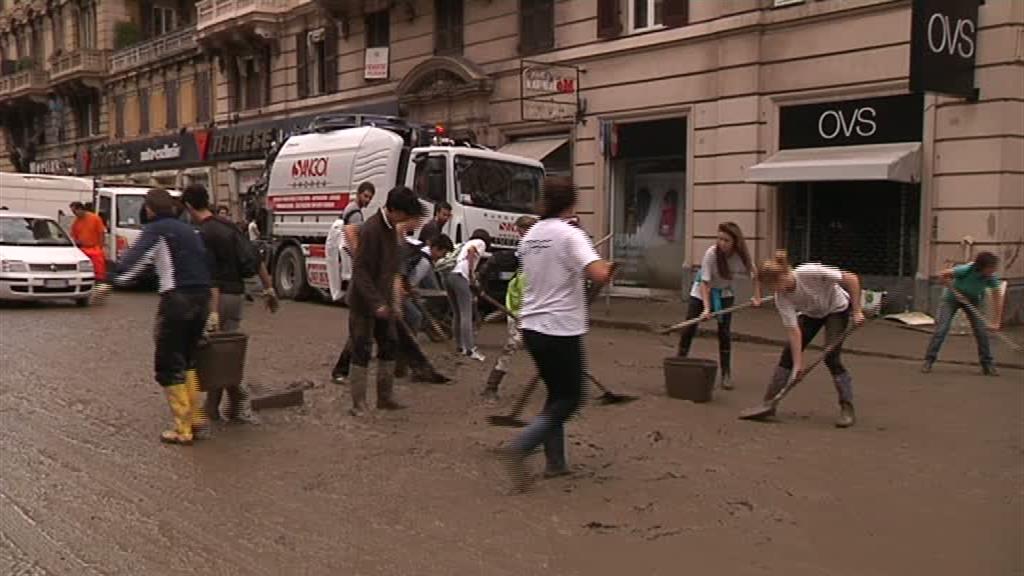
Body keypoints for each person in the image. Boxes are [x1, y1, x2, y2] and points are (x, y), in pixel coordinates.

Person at [500, 179, 616, 492]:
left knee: (555, 394)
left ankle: (556, 463)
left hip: (532, 326)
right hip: (561, 328)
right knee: (570, 398)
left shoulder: (531, 236)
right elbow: (599, 274)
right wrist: (608, 263)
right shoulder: (570, 234)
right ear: (570, 204)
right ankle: (520, 448)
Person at [111, 189, 211, 445]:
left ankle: (182, 428)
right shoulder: (189, 230)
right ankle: (196, 418)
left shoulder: (157, 230)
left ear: (150, 209)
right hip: (202, 298)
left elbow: (133, 263)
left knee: (168, 364)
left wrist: (111, 278)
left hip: (176, 300)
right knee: (188, 360)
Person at [181, 184, 279, 430]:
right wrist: (269, 289)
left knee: (213, 355)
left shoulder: (202, 234)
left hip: (217, 298)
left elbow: (211, 276)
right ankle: (213, 408)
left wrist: (212, 312)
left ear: (189, 207)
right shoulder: (229, 226)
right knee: (226, 353)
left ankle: (236, 395)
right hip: (236, 297)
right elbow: (254, 258)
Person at [757, 251, 865, 428]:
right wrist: (798, 366)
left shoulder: (809, 271)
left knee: (831, 356)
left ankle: (847, 408)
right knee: (788, 356)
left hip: (836, 309)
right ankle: (769, 403)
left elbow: (851, 278)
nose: (773, 291)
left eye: (772, 285)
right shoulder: (781, 298)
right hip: (812, 314)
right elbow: (793, 331)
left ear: (781, 277)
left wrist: (857, 311)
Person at [346, 185, 423, 416]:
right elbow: (360, 271)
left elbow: (390, 270)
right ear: (394, 210)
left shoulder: (392, 230)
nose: (408, 220)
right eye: (405, 215)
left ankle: (385, 397)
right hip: (363, 302)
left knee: (389, 344)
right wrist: (376, 303)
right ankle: (358, 404)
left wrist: (395, 301)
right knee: (361, 348)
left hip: (384, 301)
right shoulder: (371, 229)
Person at [676, 222, 762, 390]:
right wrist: (707, 309)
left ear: (735, 242)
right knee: (689, 327)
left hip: (724, 294)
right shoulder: (711, 253)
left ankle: (726, 374)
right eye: (719, 238)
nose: (721, 243)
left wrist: (757, 297)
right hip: (701, 292)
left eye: (726, 240)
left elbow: (755, 275)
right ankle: (679, 362)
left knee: (724, 332)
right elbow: (705, 283)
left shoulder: (742, 255)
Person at [481, 216, 537, 402]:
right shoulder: (527, 248)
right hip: (520, 303)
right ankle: (491, 385)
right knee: (514, 344)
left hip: (536, 304)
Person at [922, 252, 1005, 376]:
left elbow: (997, 298)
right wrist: (954, 290)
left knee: (981, 332)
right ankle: (929, 360)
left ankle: (987, 365)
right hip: (951, 300)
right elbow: (942, 275)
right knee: (942, 329)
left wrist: (996, 321)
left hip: (973, 301)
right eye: (991, 267)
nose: (993, 270)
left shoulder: (991, 277)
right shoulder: (966, 270)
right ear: (982, 267)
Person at [447, 228, 492, 361]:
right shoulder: (480, 242)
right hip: (461, 276)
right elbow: (472, 251)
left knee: (457, 314)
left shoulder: (463, 244)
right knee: (466, 314)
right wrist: (472, 274)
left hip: (449, 276)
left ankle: (460, 346)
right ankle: (470, 349)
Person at [69, 201, 108, 284]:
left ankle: (99, 286)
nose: (74, 214)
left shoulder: (95, 218)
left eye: (74, 211)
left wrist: (100, 247)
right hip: (83, 249)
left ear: (80, 209)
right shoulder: (76, 222)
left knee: (99, 272)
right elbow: (73, 236)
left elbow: (101, 233)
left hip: (95, 249)